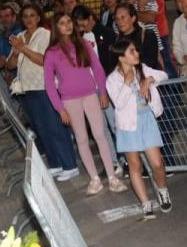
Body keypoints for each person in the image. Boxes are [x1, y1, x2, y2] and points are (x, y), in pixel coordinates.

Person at [43, 13, 126, 196]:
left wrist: (102, 92)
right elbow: (49, 84)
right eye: (62, 23)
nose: (67, 25)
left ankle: (112, 177)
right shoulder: (51, 53)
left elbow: (97, 69)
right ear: (56, 28)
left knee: (100, 135)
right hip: (69, 100)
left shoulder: (83, 44)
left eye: (69, 22)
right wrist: (60, 109)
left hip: (90, 95)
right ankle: (95, 179)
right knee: (81, 139)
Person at [7, 4, 79, 180]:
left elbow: (45, 61)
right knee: (42, 129)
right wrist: (16, 53)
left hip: (45, 87)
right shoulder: (19, 36)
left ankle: (70, 165)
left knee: (56, 128)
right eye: (25, 16)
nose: (29, 19)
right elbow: (10, 65)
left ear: (39, 18)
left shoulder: (45, 35)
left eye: (32, 15)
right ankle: (55, 164)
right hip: (27, 89)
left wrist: (23, 48)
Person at [105, 38, 171, 220]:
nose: (136, 54)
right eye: (132, 51)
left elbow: (164, 75)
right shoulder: (112, 80)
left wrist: (149, 80)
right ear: (121, 57)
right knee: (135, 165)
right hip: (128, 125)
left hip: (146, 119)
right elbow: (118, 104)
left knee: (157, 163)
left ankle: (162, 190)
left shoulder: (141, 69)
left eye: (135, 50)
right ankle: (145, 203)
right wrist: (127, 84)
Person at [112, 2, 163, 70]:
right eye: (117, 19)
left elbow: (150, 65)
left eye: (123, 17)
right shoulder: (117, 41)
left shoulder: (147, 35)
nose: (120, 21)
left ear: (133, 18)